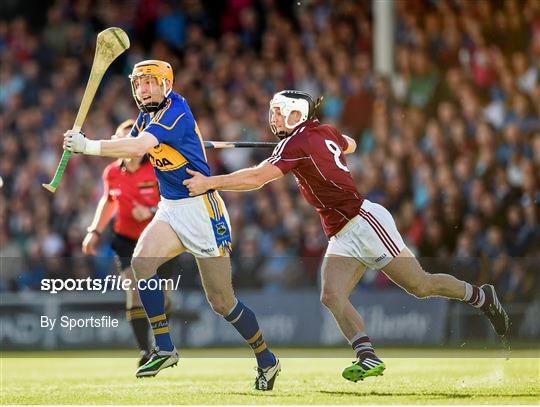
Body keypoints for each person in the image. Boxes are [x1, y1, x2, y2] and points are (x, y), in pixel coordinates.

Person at [183, 90, 510, 383]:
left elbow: (256, 178)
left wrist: (210, 183)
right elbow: (348, 143)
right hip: (341, 232)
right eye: (274, 111)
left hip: (364, 221)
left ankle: (481, 296)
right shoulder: (320, 133)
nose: (275, 117)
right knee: (331, 294)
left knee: (420, 286)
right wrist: (311, 147)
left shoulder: (297, 143)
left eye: (282, 112)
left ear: (298, 114)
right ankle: (367, 356)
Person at [63, 60, 280, 390]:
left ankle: (266, 358)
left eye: (151, 82)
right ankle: (164, 347)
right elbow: (132, 152)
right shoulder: (145, 117)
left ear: (166, 84)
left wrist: (88, 146)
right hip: (171, 208)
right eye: (139, 83)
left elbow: (137, 147)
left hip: (203, 211)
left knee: (222, 302)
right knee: (141, 263)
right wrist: (94, 143)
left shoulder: (176, 110)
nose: (144, 89)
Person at [82, 118, 173, 367]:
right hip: (126, 239)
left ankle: (162, 341)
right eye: (121, 138)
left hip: (159, 237)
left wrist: (152, 209)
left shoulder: (157, 167)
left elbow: (174, 200)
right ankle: (145, 352)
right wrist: (94, 231)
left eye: (131, 138)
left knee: (161, 297)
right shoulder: (111, 172)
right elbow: (109, 201)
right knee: (133, 290)